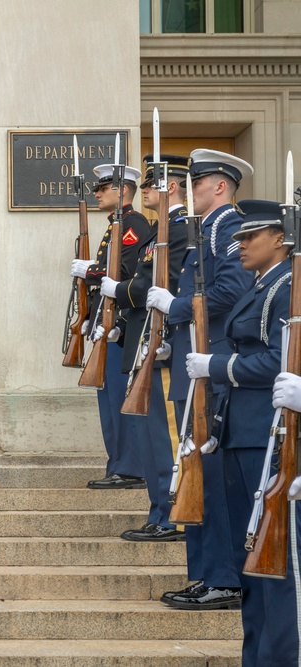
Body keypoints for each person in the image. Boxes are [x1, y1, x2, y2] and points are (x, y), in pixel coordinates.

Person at [185, 200, 293, 665]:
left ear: (280, 238)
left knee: (274, 562)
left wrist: (219, 366)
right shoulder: (262, 285)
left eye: (251, 236)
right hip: (239, 433)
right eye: (240, 236)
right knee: (249, 558)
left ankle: (279, 655)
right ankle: (258, 655)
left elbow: (278, 362)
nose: (240, 243)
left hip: (267, 437)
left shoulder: (290, 287)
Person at [147, 149, 253, 611]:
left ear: (221, 187)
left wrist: (173, 305)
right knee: (195, 467)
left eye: (198, 182)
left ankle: (225, 577)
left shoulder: (228, 226)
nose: (189, 191)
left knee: (210, 470)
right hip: (197, 358)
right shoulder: (205, 229)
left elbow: (232, 291)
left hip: (216, 361)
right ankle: (207, 572)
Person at [100, 155, 191, 542]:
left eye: (152, 184)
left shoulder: (182, 230)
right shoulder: (159, 231)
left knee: (167, 437)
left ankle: (174, 516)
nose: (146, 191)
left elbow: (153, 286)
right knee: (153, 438)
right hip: (143, 339)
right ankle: (160, 511)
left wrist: (115, 291)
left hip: (163, 342)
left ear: (170, 187)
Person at [71, 163, 153, 489]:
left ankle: (131, 468)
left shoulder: (133, 224)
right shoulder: (114, 226)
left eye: (103, 188)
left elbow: (126, 269)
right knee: (108, 404)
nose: (97, 193)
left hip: (121, 328)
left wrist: (90, 270)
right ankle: (117, 463)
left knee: (121, 401)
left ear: (122, 191)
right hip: (106, 325)